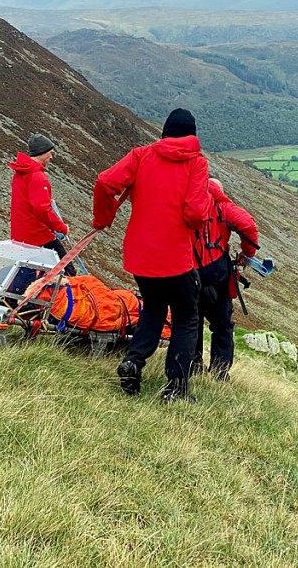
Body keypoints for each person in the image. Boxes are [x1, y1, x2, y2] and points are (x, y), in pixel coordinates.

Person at [92, 108, 211, 402]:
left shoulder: (141, 155)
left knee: (154, 309)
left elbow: (105, 183)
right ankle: (176, 387)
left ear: (165, 133)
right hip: (175, 256)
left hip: (141, 255)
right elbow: (196, 213)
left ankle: (133, 361)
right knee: (185, 317)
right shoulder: (196, 164)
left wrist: (103, 219)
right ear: (192, 135)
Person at [191, 178, 259, 382]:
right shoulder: (223, 208)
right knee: (222, 324)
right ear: (219, 191)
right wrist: (247, 255)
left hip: (187, 271)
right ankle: (220, 371)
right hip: (216, 272)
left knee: (190, 321)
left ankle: (193, 365)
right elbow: (248, 226)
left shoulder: (188, 203)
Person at [9, 133, 75, 275]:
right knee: (67, 271)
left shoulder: (21, 172)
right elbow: (42, 209)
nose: (51, 157)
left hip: (21, 234)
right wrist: (61, 227)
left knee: (28, 273)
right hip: (38, 236)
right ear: (42, 152)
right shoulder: (37, 176)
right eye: (50, 153)